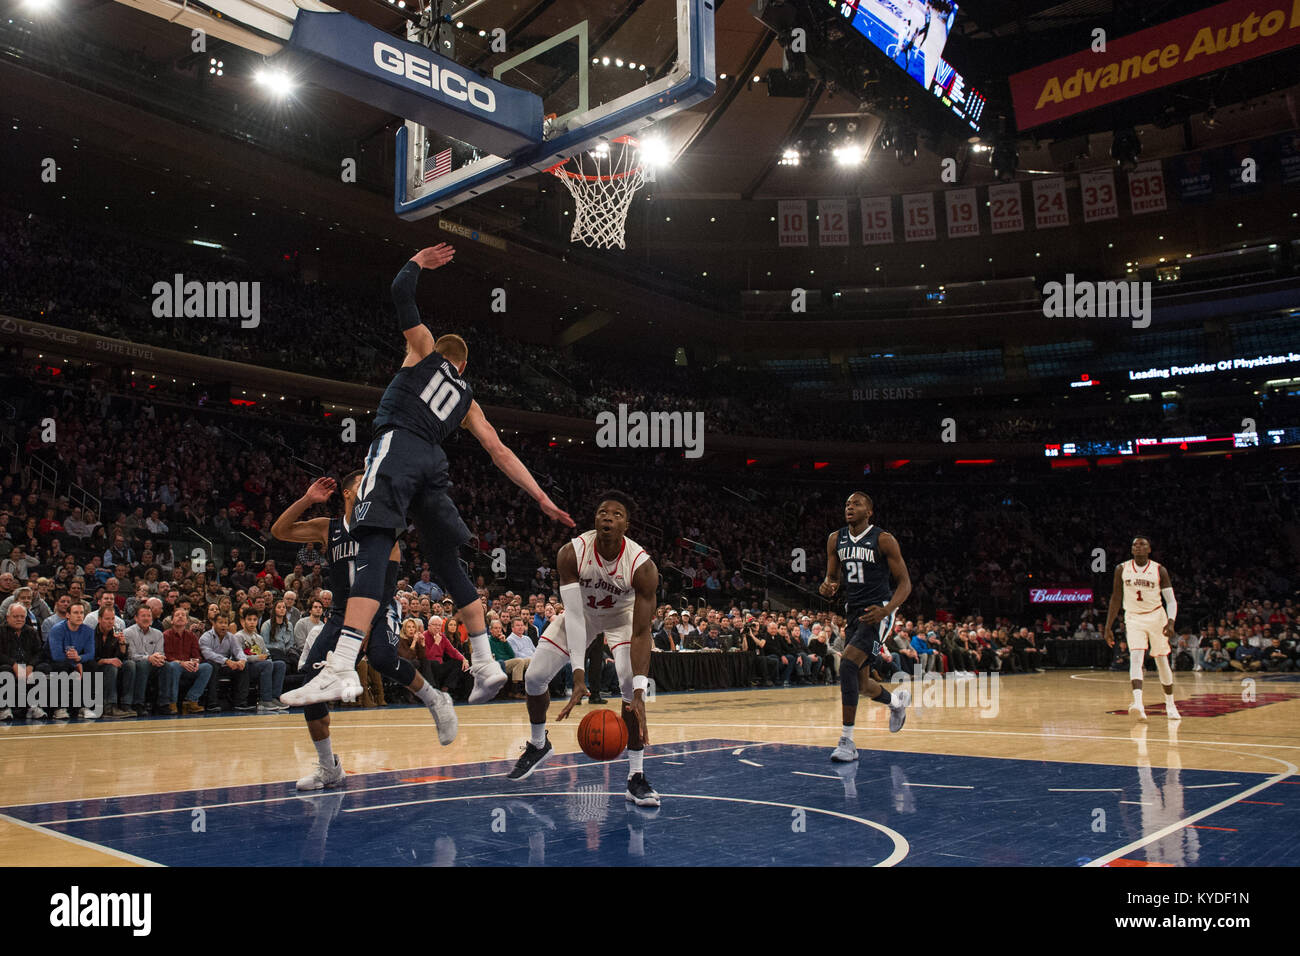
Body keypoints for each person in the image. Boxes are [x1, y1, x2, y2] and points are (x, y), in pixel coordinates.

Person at [291, 245, 574, 716]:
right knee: (444, 559)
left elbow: (400, 292)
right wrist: (542, 498)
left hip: (399, 446)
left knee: (372, 538)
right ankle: (484, 663)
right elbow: (499, 452)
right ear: (464, 367)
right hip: (433, 466)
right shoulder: (467, 399)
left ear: (437, 352)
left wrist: (418, 261)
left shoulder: (421, 352)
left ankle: (341, 662)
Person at [273, 474, 456, 790]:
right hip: (340, 616)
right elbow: (279, 531)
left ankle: (435, 699)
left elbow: (386, 586)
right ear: (346, 492)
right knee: (311, 689)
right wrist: (307, 499)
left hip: (380, 609)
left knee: (382, 658)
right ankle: (329, 768)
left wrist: (367, 625)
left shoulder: (384, 532)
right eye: (363, 483)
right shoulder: (326, 528)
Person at [507, 493, 661, 808]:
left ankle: (636, 777)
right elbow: (575, 617)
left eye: (617, 514)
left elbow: (643, 631)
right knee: (534, 678)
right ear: (595, 520)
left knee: (630, 686)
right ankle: (539, 744)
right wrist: (578, 675)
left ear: (626, 525)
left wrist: (642, 693)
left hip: (623, 620)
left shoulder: (642, 566)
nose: (608, 517)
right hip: (584, 617)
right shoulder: (571, 553)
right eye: (603, 512)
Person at [819, 492, 912, 763]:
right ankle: (896, 704)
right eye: (847, 503)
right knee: (860, 684)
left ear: (869, 511)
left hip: (878, 612)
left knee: (847, 664)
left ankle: (847, 740)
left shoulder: (884, 539)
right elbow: (832, 578)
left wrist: (887, 609)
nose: (849, 507)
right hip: (854, 613)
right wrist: (827, 586)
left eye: (856, 504)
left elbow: (905, 583)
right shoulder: (835, 539)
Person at [1104, 536, 1181, 721]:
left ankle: (1170, 704)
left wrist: (1170, 622)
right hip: (1133, 617)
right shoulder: (1122, 569)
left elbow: (1171, 601)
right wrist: (1108, 626)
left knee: (1161, 660)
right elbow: (1116, 598)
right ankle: (1138, 703)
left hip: (1156, 616)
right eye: (1135, 545)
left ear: (1149, 549)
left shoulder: (1159, 569)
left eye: (1142, 544)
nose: (1138, 547)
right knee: (1136, 656)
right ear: (1131, 550)